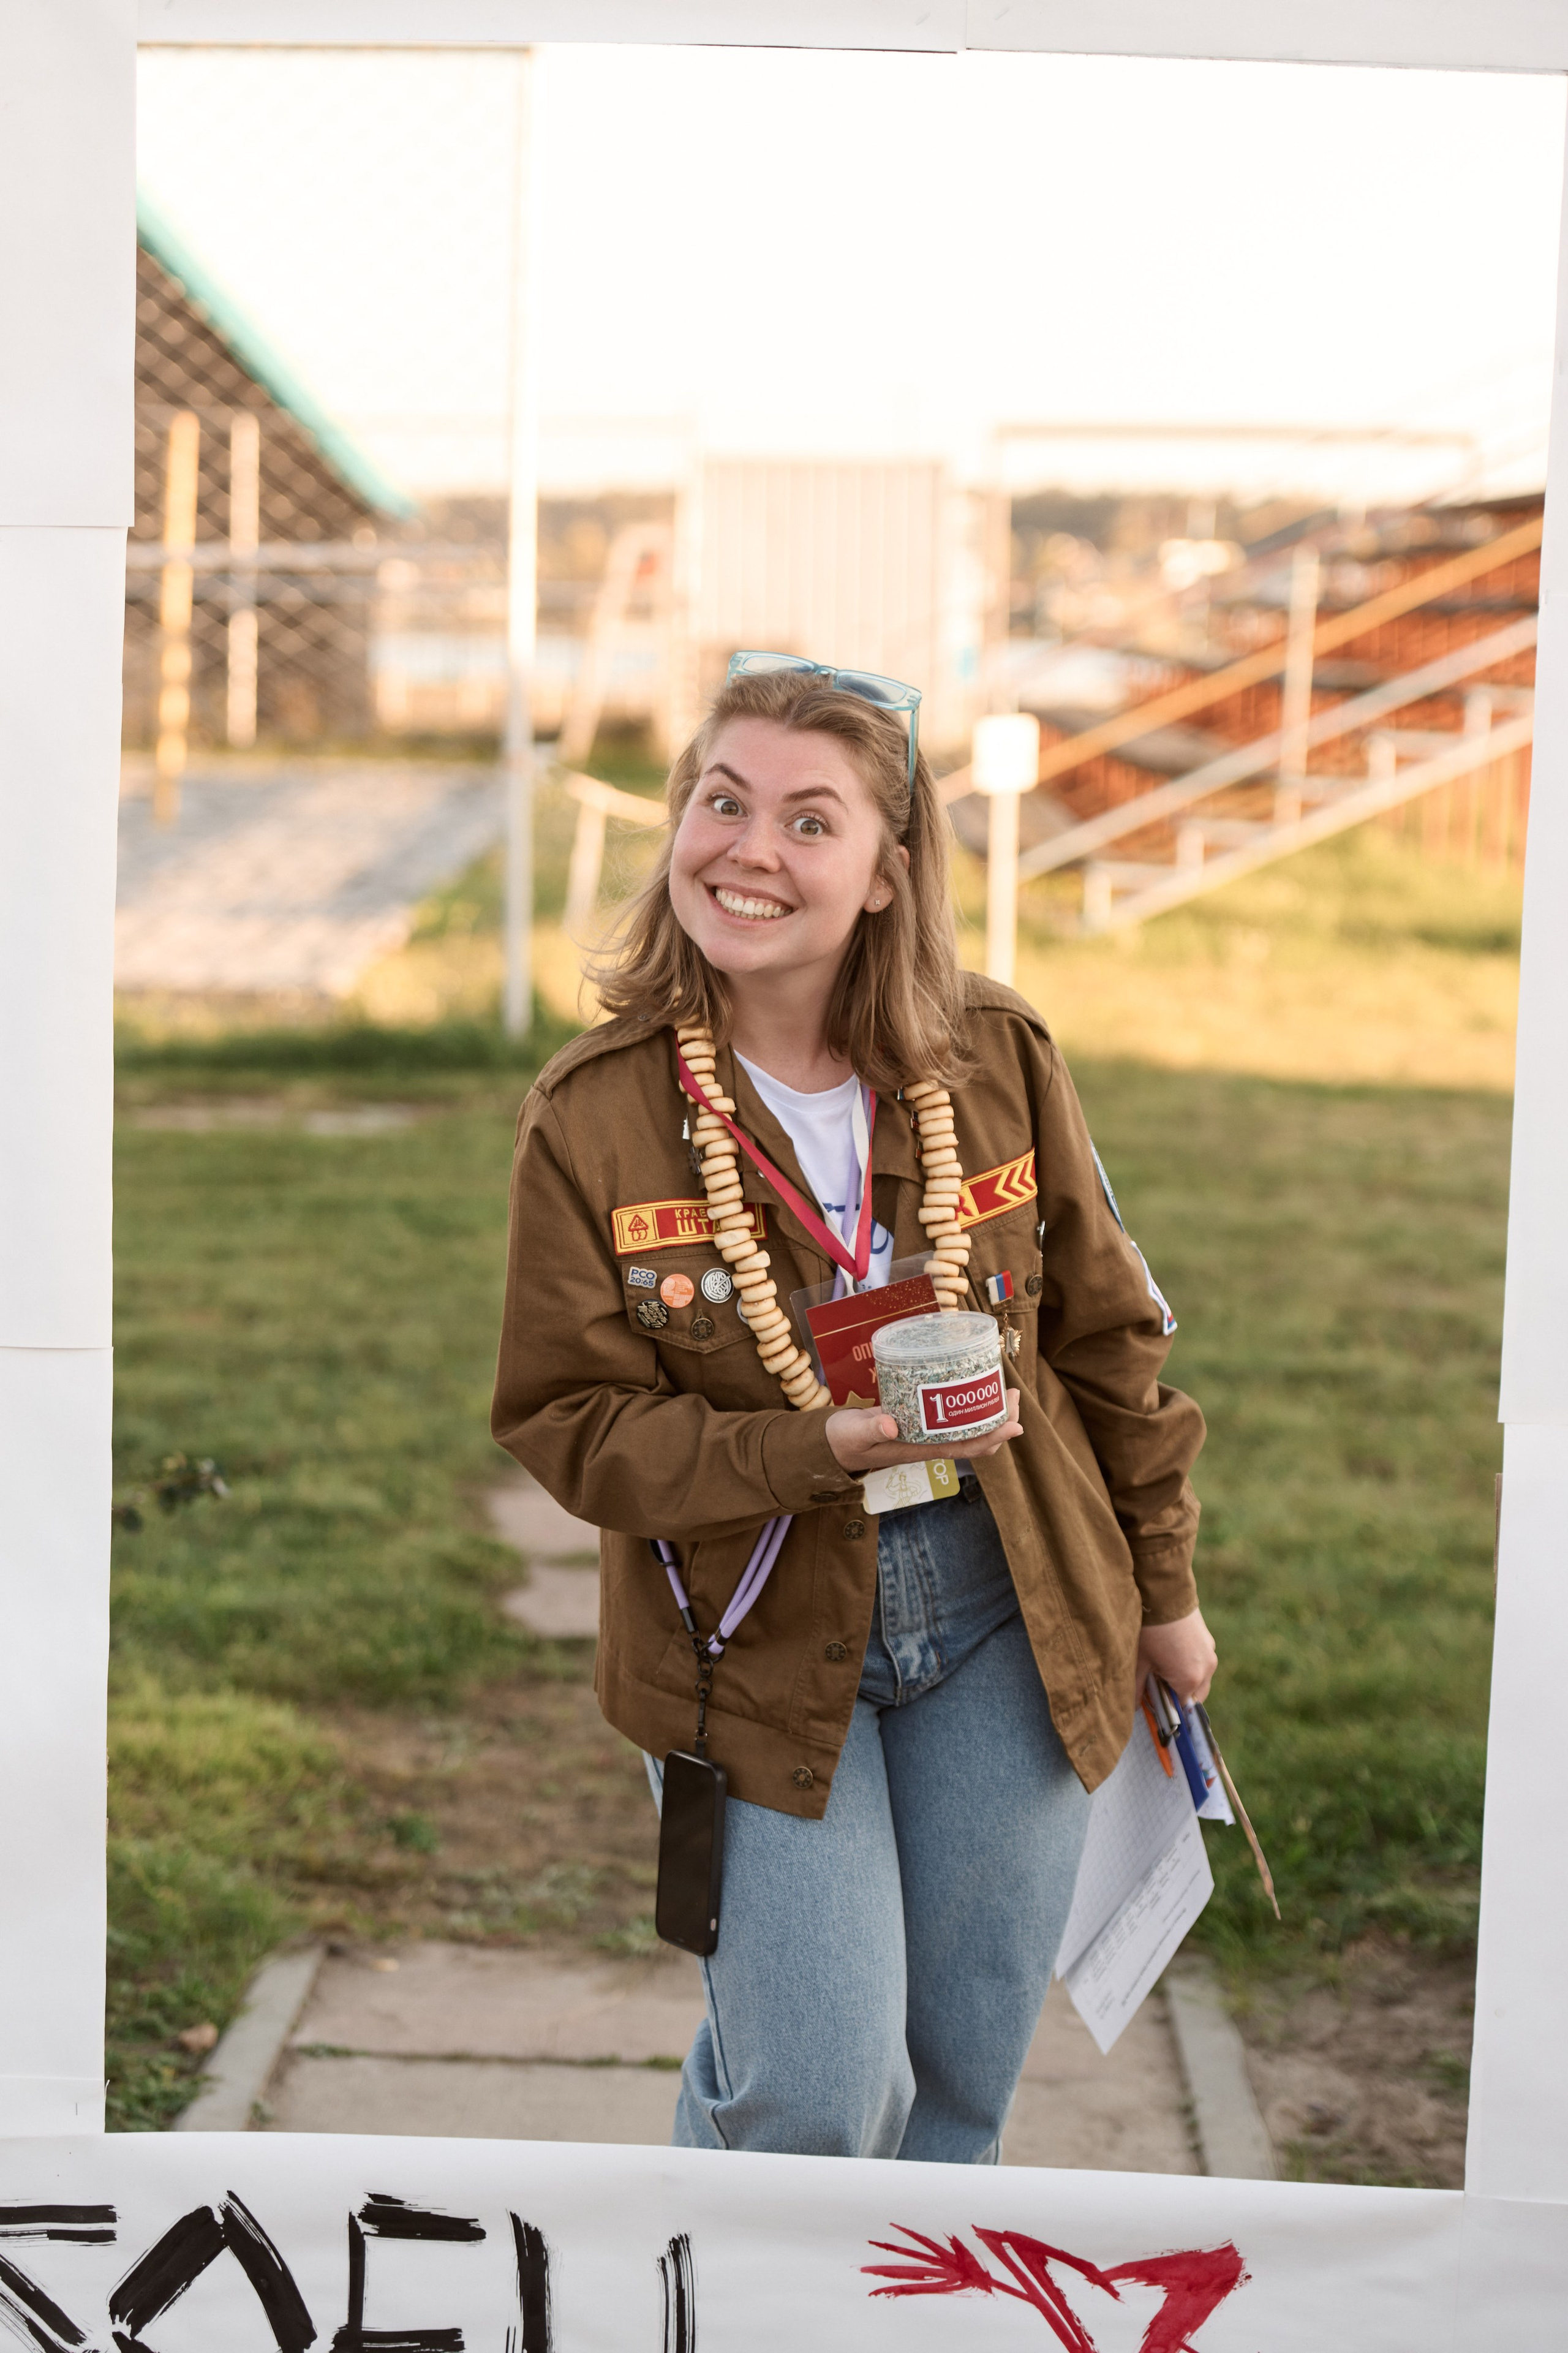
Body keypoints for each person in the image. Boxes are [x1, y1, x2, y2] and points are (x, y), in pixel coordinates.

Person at [492, 655, 1215, 2164]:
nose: (748, 849)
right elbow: (568, 1419)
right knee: (811, 2092)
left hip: (1009, 1604)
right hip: (748, 1625)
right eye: (722, 800)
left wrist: (1162, 1593)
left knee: (955, 2077)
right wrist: (800, 1447)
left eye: (807, 821)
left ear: (888, 873)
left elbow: (1108, 1340)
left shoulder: (996, 1057)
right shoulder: (596, 1111)